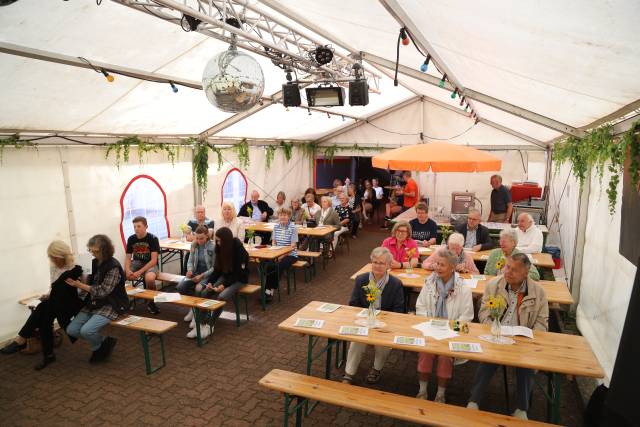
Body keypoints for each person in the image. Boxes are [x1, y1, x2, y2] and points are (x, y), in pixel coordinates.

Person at [468, 254, 549, 420]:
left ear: (526, 273)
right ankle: (474, 401)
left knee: (526, 366)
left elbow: (542, 323)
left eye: (514, 270)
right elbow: (484, 312)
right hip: (496, 335)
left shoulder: (538, 292)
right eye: (507, 267)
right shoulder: (494, 284)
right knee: (488, 361)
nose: (508, 272)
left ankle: (522, 409)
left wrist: (531, 339)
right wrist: (492, 328)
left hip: (523, 341)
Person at [1, 241, 84, 370]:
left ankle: (21, 339)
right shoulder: (54, 268)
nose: (52, 260)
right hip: (55, 304)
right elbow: (54, 288)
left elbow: (79, 292)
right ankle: (48, 355)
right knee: (44, 317)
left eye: (54, 258)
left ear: (62, 256)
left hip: (70, 305)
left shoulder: (75, 269)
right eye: (51, 257)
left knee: (42, 309)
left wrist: (57, 295)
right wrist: (49, 294)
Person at [415, 248, 474, 402]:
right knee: (426, 353)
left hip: (451, 334)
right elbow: (420, 306)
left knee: (445, 356)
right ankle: (422, 390)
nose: (437, 267)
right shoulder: (429, 282)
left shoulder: (463, 288)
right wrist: (429, 324)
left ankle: (440, 393)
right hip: (430, 329)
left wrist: (449, 331)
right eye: (436, 264)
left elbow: (467, 317)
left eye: (442, 265)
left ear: (452, 268)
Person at [343, 247, 405, 385]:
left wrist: (383, 323)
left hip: (385, 323)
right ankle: (349, 373)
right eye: (375, 262)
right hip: (363, 320)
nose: (377, 265)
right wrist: (363, 318)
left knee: (383, 345)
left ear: (389, 265)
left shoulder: (395, 284)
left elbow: (399, 310)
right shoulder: (361, 279)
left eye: (382, 263)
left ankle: (376, 369)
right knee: (356, 341)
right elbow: (353, 303)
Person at [66, 235, 128, 364]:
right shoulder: (94, 262)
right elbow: (89, 283)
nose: (93, 253)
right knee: (71, 330)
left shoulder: (113, 266)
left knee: (87, 330)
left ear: (105, 250)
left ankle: (98, 348)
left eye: (96, 251)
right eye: (91, 250)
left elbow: (103, 291)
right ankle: (104, 342)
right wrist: (82, 279)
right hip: (94, 302)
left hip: (111, 303)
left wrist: (80, 285)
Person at [195, 227, 250, 338]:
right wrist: (211, 282)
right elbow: (217, 269)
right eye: (216, 240)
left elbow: (238, 274)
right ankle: (200, 324)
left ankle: (211, 324)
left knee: (221, 296)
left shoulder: (239, 250)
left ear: (226, 240)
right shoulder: (220, 248)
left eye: (219, 241)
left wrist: (223, 285)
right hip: (226, 276)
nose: (218, 243)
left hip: (239, 279)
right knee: (205, 292)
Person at [177, 225, 216, 334]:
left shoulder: (213, 247)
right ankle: (192, 308)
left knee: (199, 288)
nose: (199, 241)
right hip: (195, 273)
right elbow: (190, 261)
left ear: (207, 236)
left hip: (206, 274)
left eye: (202, 238)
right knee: (180, 287)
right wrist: (189, 270)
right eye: (197, 238)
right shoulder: (194, 245)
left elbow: (214, 267)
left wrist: (202, 276)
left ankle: (197, 314)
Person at [125, 216, 160, 314]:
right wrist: (128, 270)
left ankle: (151, 302)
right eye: (135, 227)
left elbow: (153, 260)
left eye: (139, 226)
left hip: (150, 263)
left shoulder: (153, 238)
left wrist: (139, 272)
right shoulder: (131, 239)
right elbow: (128, 257)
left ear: (146, 227)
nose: (136, 229)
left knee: (149, 278)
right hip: (137, 263)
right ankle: (124, 302)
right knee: (120, 275)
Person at [264, 207, 298, 302]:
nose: (283, 217)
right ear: (278, 216)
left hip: (290, 255)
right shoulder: (276, 226)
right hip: (277, 253)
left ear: (289, 216)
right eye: (281, 215)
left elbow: (293, 246)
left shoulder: (293, 228)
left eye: (285, 215)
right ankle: (269, 290)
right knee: (269, 266)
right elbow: (274, 242)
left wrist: (281, 256)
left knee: (278, 267)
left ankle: (269, 290)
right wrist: (276, 253)